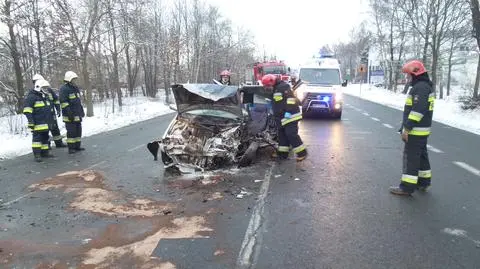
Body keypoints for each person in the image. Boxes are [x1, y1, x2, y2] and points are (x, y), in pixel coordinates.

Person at [390, 60, 434, 196]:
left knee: (411, 158)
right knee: (421, 156)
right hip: (422, 130)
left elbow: (418, 111)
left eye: (409, 75)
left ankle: (407, 187)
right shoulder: (425, 86)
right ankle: (424, 182)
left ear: (416, 73)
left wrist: (407, 128)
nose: (407, 78)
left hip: (415, 131)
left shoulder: (420, 88)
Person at [261, 74, 307, 161]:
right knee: (282, 136)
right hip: (281, 118)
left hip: (291, 116)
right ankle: (282, 154)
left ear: (272, 82)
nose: (266, 87)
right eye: (265, 86)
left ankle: (302, 153)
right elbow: (277, 102)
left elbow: (291, 99)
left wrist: (288, 112)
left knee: (291, 135)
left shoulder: (284, 87)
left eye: (267, 85)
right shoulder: (274, 89)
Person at [22, 79, 55, 162]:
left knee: (45, 138)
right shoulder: (32, 97)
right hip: (37, 123)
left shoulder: (45, 96)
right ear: (38, 87)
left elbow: (48, 110)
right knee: (37, 140)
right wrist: (31, 121)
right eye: (44, 87)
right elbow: (27, 110)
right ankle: (37, 155)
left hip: (45, 123)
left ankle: (45, 152)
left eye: (46, 88)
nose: (46, 89)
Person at [32, 74, 66, 148]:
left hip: (51, 114)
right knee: (45, 131)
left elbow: (56, 100)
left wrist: (58, 109)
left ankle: (59, 143)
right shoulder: (34, 92)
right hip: (42, 116)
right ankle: (46, 146)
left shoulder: (49, 90)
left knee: (55, 128)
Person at [59, 71, 85, 154]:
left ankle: (77, 146)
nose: (75, 81)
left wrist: (81, 110)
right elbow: (63, 102)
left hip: (77, 114)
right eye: (73, 79)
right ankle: (71, 148)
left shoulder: (75, 88)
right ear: (69, 79)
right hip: (69, 115)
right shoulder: (64, 89)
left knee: (78, 131)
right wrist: (69, 112)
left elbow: (78, 101)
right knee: (71, 132)